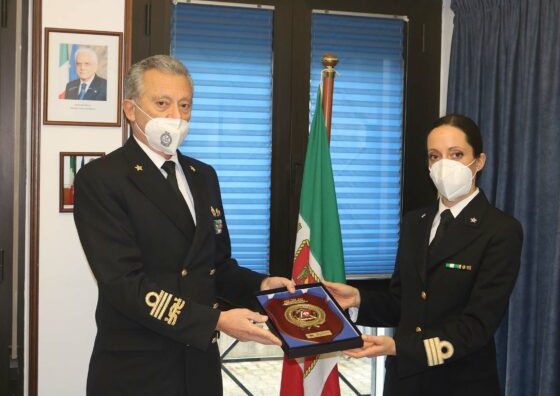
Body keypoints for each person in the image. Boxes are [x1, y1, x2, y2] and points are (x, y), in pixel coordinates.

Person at [73, 54, 294, 396]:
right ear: (130, 109)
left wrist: (261, 285)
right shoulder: (102, 179)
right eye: (162, 103)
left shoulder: (203, 175)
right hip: (137, 368)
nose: (175, 116)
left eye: (185, 105)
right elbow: (123, 285)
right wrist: (216, 321)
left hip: (199, 365)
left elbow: (216, 266)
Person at [324, 114, 523, 396]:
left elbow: (476, 327)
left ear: (479, 161)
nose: (443, 165)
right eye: (434, 156)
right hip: (404, 381)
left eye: (456, 154)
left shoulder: (500, 230)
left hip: (460, 383)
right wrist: (358, 299)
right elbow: (402, 303)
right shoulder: (415, 222)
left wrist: (399, 347)